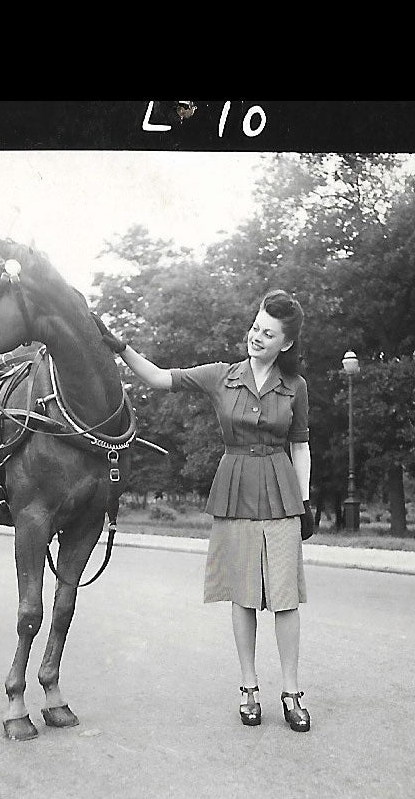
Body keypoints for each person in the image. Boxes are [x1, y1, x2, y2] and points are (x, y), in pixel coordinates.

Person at [91, 290, 316, 733]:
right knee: (243, 593)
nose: (256, 337)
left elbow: (301, 444)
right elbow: (157, 378)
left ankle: (291, 691)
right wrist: (120, 348)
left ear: (285, 344)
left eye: (268, 333)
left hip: (281, 492)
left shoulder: (296, 387)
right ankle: (249, 687)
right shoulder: (221, 376)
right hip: (234, 489)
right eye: (255, 327)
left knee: (285, 597)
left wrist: (306, 501)